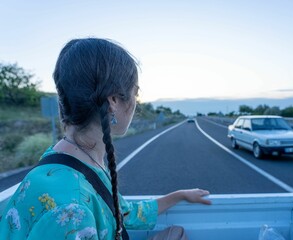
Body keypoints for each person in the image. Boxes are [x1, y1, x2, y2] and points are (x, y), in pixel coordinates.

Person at [0, 38, 211, 240]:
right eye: (135, 93)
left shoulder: (66, 159)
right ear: (113, 101)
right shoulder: (71, 214)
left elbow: (123, 214)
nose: (136, 102)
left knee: (176, 233)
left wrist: (179, 195)